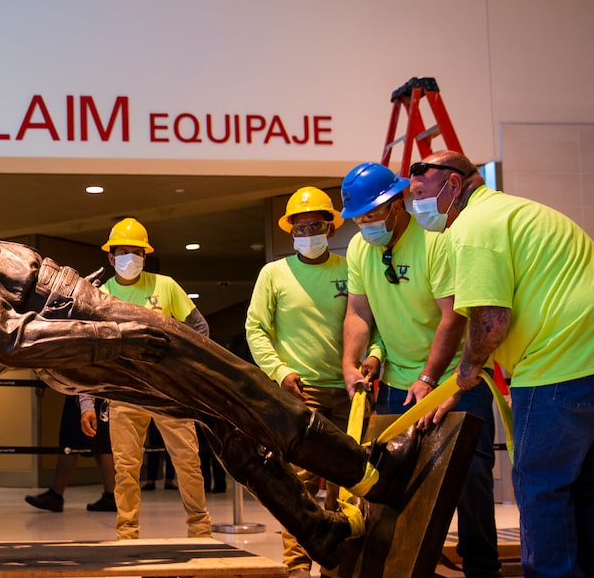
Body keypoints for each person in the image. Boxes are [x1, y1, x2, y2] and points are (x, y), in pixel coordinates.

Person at [0, 162, 423, 569]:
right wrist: (114, 334)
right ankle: (371, 474)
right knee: (243, 390)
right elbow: (5, 340)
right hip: (89, 324)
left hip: (80, 343)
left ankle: (321, 534)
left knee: (223, 422)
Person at [407, 150, 594, 578]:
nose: (417, 205)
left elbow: (490, 322)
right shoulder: (518, 212)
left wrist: (464, 373)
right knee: (585, 490)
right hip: (583, 366)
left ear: (454, 184)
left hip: (556, 369)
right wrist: (460, 384)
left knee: (542, 488)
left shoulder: (473, 226)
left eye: (421, 194)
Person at [339, 162, 500, 578]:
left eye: (372, 214)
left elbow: (454, 317)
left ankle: (481, 568)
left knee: (471, 478)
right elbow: (358, 312)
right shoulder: (359, 249)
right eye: (358, 218)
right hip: (397, 386)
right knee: (392, 483)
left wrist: (429, 378)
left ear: (396, 205)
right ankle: (397, 567)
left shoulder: (435, 241)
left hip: (455, 382)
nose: (365, 225)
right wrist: (350, 363)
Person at [246, 186, 382, 578]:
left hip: (351, 395)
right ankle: (296, 565)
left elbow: (374, 323)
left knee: (352, 484)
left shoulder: (350, 269)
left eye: (316, 226)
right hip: (298, 394)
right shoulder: (274, 274)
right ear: (290, 232)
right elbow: (256, 329)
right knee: (297, 486)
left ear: (331, 228)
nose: (308, 234)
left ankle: (339, 566)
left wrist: (375, 355)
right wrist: (281, 372)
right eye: (300, 228)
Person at [98, 218, 213, 540]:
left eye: (137, 252)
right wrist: (87, 402)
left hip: (168, 390)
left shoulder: (165, 285)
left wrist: (184, 368)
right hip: (125, 391)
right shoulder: (102, 295)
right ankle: (127, 534)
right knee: (126, 469)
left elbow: (199, 328)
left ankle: (200, 531)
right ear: (111, 257)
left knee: (187, 461)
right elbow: (90, 350)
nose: (130, 258)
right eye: (123, 252)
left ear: (145, 256)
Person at [23, 393, 117, 513]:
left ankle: (56, 494)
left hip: (81, 393)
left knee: (69, 443)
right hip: (102, 394)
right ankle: (111, 495)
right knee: (101, 444)